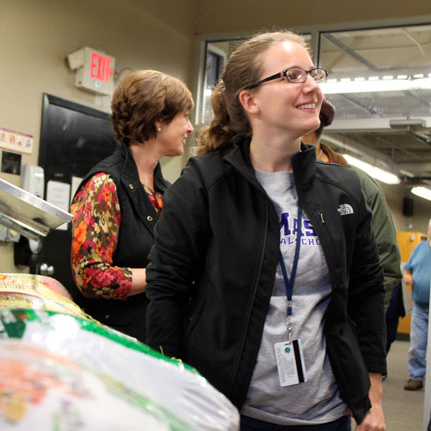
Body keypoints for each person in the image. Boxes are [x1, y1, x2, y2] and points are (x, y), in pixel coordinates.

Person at [146, 31, 386, 431]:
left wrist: (372, 397)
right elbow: (166, 290)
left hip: (328, 412)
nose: (311, 85)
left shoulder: (343, 189)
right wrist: (171, 392)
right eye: (292, 75)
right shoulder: (205, 185)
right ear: (250, 100)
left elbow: (366, 292)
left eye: (312, 73)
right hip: (229, 410)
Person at [70, 69, 194, 342]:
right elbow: (90, 276)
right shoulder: (104, 185)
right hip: (110, 347)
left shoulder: (166, 192)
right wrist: (162, 276)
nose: (190, 127)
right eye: (184, 116)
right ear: (159, 120)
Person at [302, 101, 403, 354]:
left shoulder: (357, 186)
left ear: (313, 129)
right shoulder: (275, 181)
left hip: (343, 334)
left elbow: (386, 266)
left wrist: (357, 330)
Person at [402, 217, 431, 391]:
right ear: (429, 230)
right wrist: (407, 277)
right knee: (417, 344)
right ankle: (416, 376)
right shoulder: (419, 248)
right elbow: (407, 269)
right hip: (420, 306)